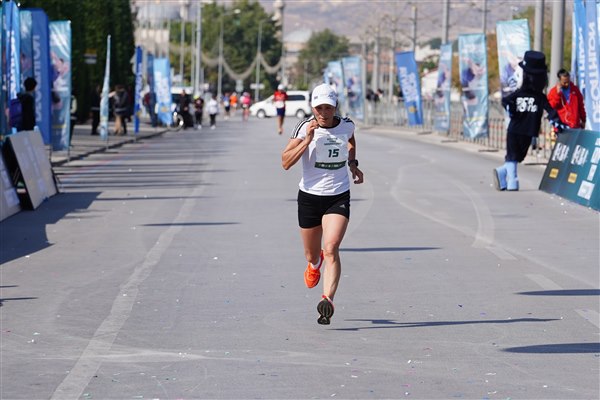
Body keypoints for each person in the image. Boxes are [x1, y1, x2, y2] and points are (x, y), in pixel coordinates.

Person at [281, 83, 364, 325]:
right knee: (311, 253)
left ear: (335, 107)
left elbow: (350, 140)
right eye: (319, 108)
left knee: (331, 247)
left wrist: (353, 163)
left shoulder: (346, 125)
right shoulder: (304, 127)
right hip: (309, 197)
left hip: (338, 195)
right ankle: (314, 264)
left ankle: (327, 299)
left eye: (328, 108)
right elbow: (285, 162)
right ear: (312, 107)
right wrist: (307, 140)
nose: (323, 113)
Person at [493, 51, 565, 192]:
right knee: (512, 156)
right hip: (515, 129)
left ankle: (502, 172)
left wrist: (557, 123)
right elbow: (506, 101)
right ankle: (513, 181)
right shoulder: (519, 93)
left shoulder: (540, 97)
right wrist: (511, 109)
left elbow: (551, 111)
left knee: (519, 157)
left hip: (528, 131)